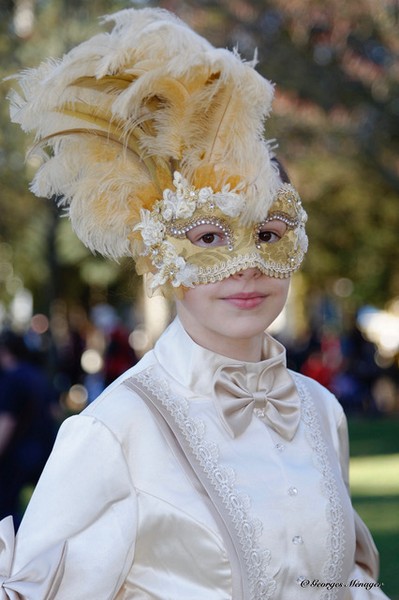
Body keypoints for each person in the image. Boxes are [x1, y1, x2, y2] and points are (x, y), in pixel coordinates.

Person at [1, 8, 389, 599]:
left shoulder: (320, 411)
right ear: (161, 254)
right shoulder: (116, 430)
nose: (249, 265)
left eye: (269, 234)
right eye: (209, 237)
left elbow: (342, 583)